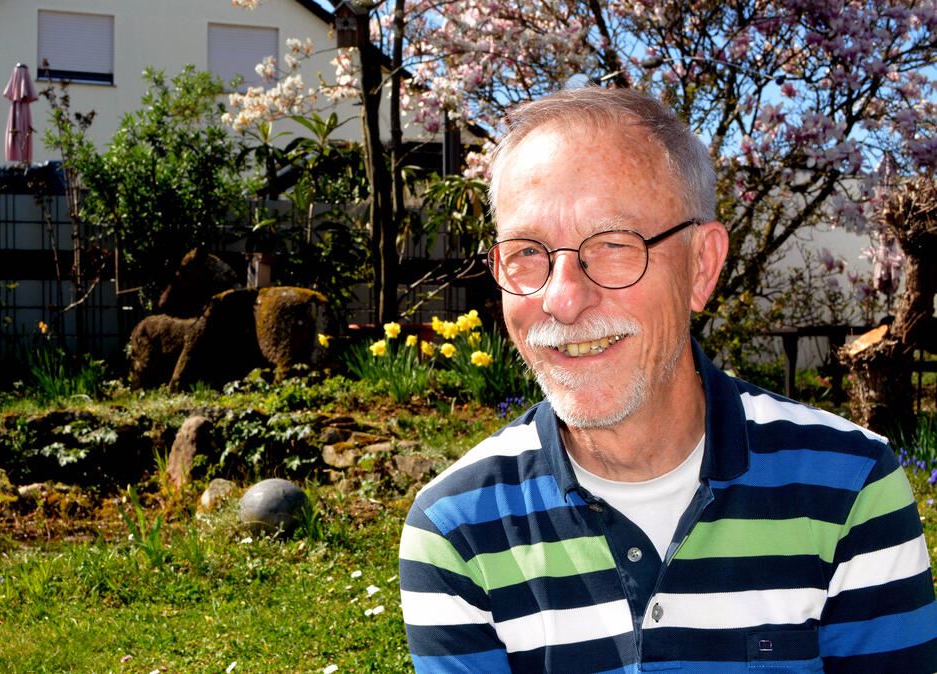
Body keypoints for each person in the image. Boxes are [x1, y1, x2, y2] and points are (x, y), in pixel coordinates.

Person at [398, 86, 937, 673]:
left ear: (701, 267)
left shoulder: (851, 489)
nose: (562, 298)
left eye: (611, 245)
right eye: (527, 251)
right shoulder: (456, 528)